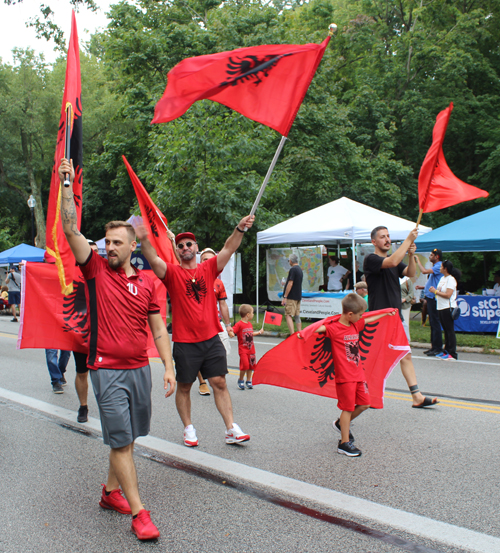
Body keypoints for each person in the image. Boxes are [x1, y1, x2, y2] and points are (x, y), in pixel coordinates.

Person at [59, 158, 176, 541]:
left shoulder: (145, 282)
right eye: (106, 241)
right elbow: (70, 228)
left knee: (128, 435)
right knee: (122, 441)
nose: (108, 247)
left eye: (116, 242)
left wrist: (169, 367)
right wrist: (65, 184)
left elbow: (158, 329)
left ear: (131, 247)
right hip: (105, 369)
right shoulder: (94, 269)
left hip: (140, 368)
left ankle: (111, 493)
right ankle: (139, 513)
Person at [136, 215, 254, 448]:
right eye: (180, 245)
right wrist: (143, 239)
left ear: (196, 248)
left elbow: (229, 247)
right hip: (185, 342)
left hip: (211, 339)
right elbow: (152, 257)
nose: (185, 247)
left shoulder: (208, 268)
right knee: (185, 386)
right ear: (177, 251)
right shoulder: (171, 273)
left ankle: (231, 428)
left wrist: (240, 228)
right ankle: (188, 428)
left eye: (189, 244)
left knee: (219, 382)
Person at [314, 293, 398, 457]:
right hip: (345, 377)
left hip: (358, 373)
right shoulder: (334, 328)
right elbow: (317, 328)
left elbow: (368, 319)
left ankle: (340, 423)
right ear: (350, 314)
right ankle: (344, 443)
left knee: (365, 404)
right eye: (359, 314)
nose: (362, 317)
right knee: (347, 408)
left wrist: (386, 312)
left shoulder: (355, 325)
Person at [364, 226, 438, 408]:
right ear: (374, 242)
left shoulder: (395, 261)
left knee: (405, 355)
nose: (387, 240)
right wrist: (407, 240)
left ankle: (417, 396)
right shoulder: (371, 259)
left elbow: (411, 274)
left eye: (388, 236)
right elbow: (390, 262)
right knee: (374, 359)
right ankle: (366, 395)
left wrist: (411, 255)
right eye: (383, 237)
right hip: (379, 318)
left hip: (394, 317)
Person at [196, 247, 233, 396]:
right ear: (200, 262)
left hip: (216, 323)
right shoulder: (193, 277)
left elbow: (222, 305)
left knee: (222, 352)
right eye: (205, 259)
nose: (208, 262)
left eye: (212, 259)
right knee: (197, 355)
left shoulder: (218, 283)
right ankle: (202, 382)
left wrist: (228, 325)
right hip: (197, 325)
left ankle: (215, 377)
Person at [429, 260, 461, 361]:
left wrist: (435, 291)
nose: (440, 268)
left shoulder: (451, 280)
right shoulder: (443, 278)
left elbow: (448, 295)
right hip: (441, 307)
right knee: (445, 331)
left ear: (445, 269)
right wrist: (435, 291)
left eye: (441, 267)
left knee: (450, 330)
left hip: (448, 307)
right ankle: (446, 351)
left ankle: (452, 353)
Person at [416, 249, 443, 356]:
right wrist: (423, 287)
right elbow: (433, 282)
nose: (430, 257)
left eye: (431, 255)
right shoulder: (435, 267)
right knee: (432, 322)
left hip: (434, 298)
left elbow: (424, 271)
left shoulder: (438, 266)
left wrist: (418, 260)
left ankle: (438, 347)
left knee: (435, 323)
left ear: (437, 257)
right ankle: (433, 347)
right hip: (430, 297)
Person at [230, 304, 263, 390]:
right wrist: (231, 333)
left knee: (251, 365)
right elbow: (233, 330)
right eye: (252, 313)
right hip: (243, 349)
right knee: (245, 365)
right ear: (248, 314)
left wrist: (259, 332)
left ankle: (248, 380)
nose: (253, 314)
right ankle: (240, 380)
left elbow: (250, 334)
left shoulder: (249, 324)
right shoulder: (239, 324)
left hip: (251, 349)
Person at [281, 254, 303, 335]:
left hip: (292, 296)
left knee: (288, 314)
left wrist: (285, 296)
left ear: (290, 261)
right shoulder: (299, 269)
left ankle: (292, 334)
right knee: (297, 315)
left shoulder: (293, 270)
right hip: (298, 296)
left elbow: (290, 283)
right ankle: (299, 332)